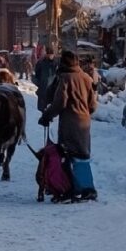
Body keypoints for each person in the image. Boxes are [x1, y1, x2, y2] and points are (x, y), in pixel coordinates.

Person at [38, 50, 99, 202]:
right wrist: (84, 111)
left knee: (67, 155)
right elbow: (93, 105)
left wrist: (47, 116)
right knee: (82, 155)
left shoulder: (65, 79)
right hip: (84, 122)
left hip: (70, 123)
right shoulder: (86, 77)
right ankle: (85, 188)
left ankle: (70, 189)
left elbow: (60, 102)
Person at [32, 46, 58, 112]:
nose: (51, 56)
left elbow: (58, 76)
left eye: (52, 54)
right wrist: (39, 83)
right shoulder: (40, 63)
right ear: (46, 54)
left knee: (52, 108)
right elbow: (36, 75)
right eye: (49, 54)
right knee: (42, 108)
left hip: (53, 89)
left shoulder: (56, 63)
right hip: (43, 88)